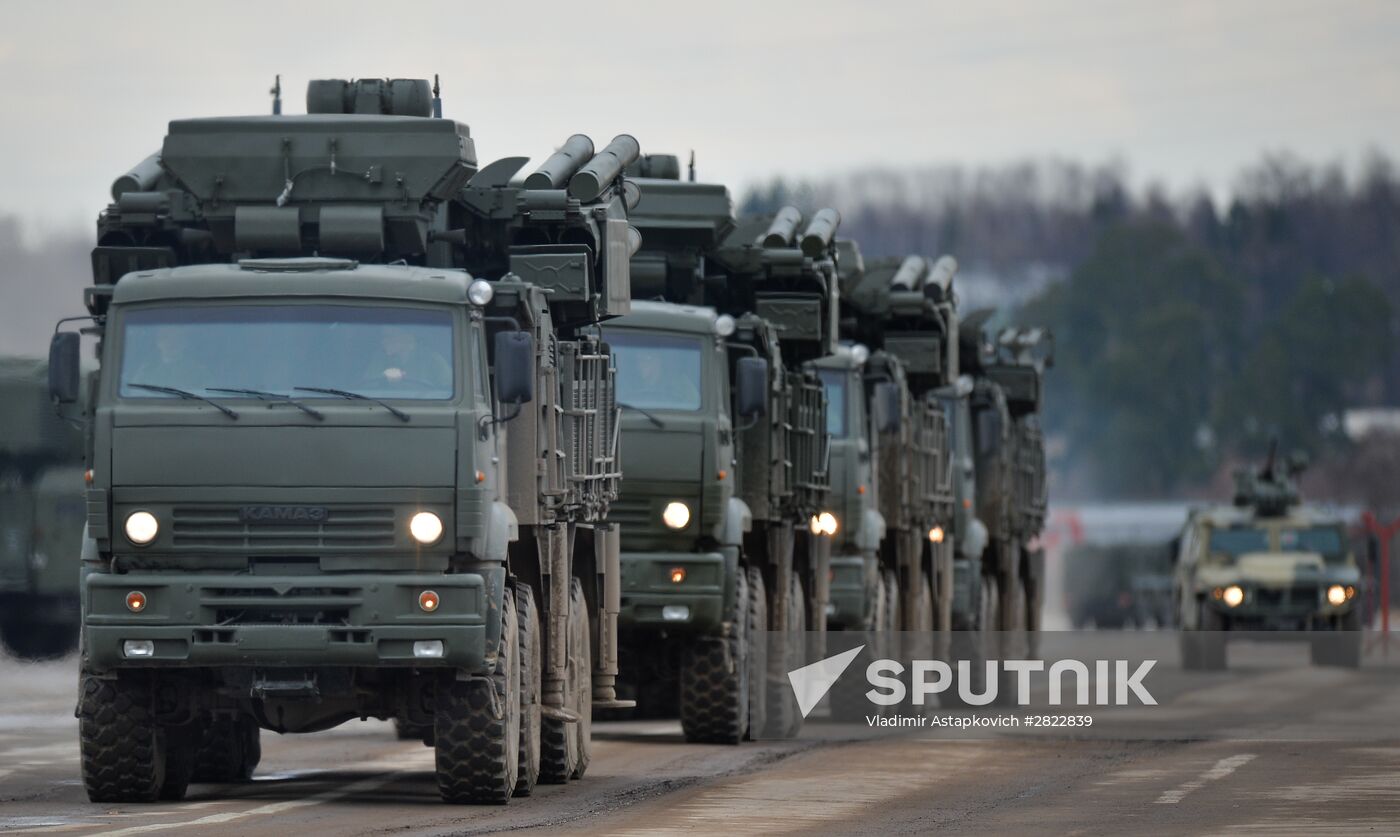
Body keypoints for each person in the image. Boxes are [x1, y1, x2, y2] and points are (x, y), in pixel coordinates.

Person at [363, 325, 453, 393]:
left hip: (423, 407)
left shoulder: (432, 359)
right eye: (382, 337)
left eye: (388, 336)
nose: (382, 341)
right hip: (384, 406)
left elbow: (448, 388)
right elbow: (367, 385)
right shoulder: (380, 357)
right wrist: (383, 377)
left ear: (407, 337)